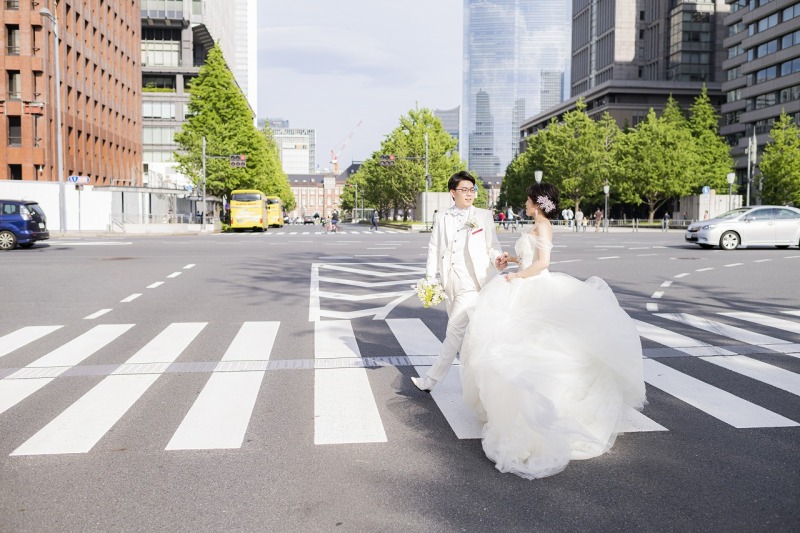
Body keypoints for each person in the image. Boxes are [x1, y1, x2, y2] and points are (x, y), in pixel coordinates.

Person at [459, 182, 647, 479]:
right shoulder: (536, 225)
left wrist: (517, 276)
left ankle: (542, 412)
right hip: (525, 284)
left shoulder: (544, 226)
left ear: (537, 202)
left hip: (535, 289)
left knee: (535, 349)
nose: (525, 202)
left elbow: (543, 263)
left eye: (528, 199)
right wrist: (511, 260)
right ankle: (512, 406)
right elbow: (531, 258)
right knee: (514, 347)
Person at [411, 171, 507, 393]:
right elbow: (434, 249)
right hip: (450, 285)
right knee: (466, 339)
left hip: (472, 284)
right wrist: (430, 279)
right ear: (452, 193)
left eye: (472, 189)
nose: (469, 194)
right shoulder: (442, 217)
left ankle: (430, 381)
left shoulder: (483, 216)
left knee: (453, 333)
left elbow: (493, 246)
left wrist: (497, 259)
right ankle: (483, 383)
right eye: (464, 190)